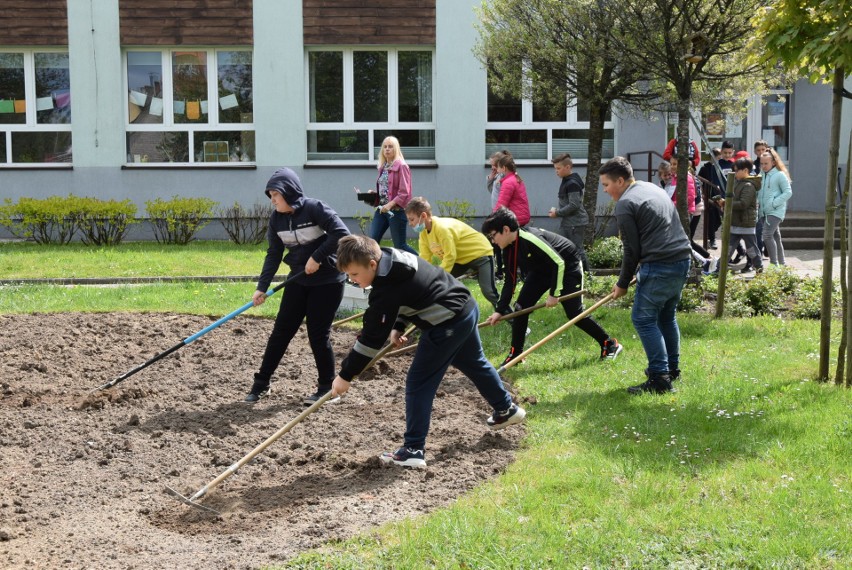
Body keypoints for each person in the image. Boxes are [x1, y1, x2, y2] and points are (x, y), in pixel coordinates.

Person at [329, 234, 526, 468]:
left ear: (371, 264)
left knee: (419, 381)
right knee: (473, 362)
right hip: (465, 306)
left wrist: (346, 375)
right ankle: (506, 408)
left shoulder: (385, 289)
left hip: (448, 322)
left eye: (354, 274)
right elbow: (411, 293)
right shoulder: (389, 257)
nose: (352, 280)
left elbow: (371, 340)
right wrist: (399, 325)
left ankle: (413, 449)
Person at [245, 167, 351, 404]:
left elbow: (341, 234)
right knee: (281, 332)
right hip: (298, 279)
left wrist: (317, 257)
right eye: (270, 195)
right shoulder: (276, 219)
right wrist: (261, 287)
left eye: (275, 195)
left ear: (289, 192)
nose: (272, 200)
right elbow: (273, 253)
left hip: (327, 281)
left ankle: (327, 388)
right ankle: (261, 383)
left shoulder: (315, 208)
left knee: (317, 334)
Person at [481, 207, 623, 367]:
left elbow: (558, 262)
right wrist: (499, 310)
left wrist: (554, 293)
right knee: (520, 309)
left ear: (506, 230)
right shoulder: (508, 248)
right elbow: (510, 280)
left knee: (574, 313)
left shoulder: (530, 238)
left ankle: (609, 344)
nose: (493, 241)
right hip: (542, 271)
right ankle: (516, 355)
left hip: (567, 266)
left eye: (493, 236)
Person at [599, 157, 691, 395]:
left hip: (660, 264)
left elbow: (631, 250)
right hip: (681, 259)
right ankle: (672, 370)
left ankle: (660, 378)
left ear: (620, 180)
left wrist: (621, 284)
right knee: (666, 316)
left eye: (606, 185)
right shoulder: (651, 188)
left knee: (643, 319)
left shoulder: (626, 203)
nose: (606, 191)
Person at [405, 196, 499, 308]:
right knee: (439, 284)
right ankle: (450, 310)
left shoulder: (442, 229)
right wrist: (420, 277)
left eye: (412, 219)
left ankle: (511, 316)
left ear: (424, 216)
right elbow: (425, 258)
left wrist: (437, 275)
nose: (410, 224)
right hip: (461, 260)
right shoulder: (423, 233)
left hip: (481, 255)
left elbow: (450, 256)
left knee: (489, 291)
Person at [368, 136, 417, 254]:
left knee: (400, 246)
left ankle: (423, 264)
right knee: (371, 242)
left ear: (396, 149)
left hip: (396, 211)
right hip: (382, 210)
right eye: (385, 147)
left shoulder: (402, 166)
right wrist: (375, 194)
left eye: (390, 147)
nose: (387, 149)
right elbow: (387, 189)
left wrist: (390, 205)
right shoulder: (383, 166)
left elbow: (404, 192)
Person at [719, 157, 763, 274]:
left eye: (736, 170)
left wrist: (727, 203)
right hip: (736, 221)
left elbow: (743, 204)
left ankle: (759, 268)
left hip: (746, 222)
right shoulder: (738, 183)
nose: (734, 173)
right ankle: (718, 269)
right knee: (728, 248)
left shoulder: (748, 185)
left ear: (745, 170)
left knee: (751, 249)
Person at [548, 153, 590, 272]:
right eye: (555, 169)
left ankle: (587, 276)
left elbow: (574, 205)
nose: (556, 171)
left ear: (567, 167)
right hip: (570, 222)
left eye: (558, 168)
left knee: (577, 249)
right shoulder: (567, 180)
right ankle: (574, 273)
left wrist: (557, 213)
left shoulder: (572, 183)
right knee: (567, 248)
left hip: (575, 223)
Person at [758, 148, 793, 266]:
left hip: (775, 211)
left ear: (773, 162)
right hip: (764, 212)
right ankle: (782, 264)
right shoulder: (761, 175)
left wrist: (774, 203)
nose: (763, 166)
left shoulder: (779, 175)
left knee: (767, 235)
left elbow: (788, 192)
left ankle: (774, 264)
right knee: (776, 237)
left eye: (766, 163)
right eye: (761, 163)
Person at [493, 152, 531, 227]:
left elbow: (502, 204)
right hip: (521, 216)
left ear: (504, 168)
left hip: (514, 218)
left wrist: (493, 217)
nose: (497, 170)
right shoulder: (516, 178)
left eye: (498, 167)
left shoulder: (508, 182)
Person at [487, 151, 507, 279]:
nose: (492, 167)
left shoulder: (504, 177)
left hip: (502, 214)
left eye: (494, 165)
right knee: (495, 245)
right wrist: (490, 178)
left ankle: (502, 270)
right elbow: (491, 191)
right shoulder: (497, 177)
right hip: (495, 213)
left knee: (500, 244)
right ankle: (499, 270)